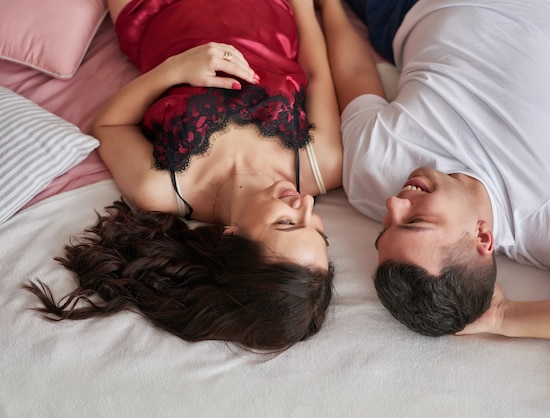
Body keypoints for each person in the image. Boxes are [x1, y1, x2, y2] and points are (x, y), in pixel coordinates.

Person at [23, 0, 342, 352]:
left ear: (232, 239)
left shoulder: (162, 188)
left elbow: (109, 124)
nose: (306, 203)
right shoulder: (320, 163)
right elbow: (315, 72)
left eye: (287, 223)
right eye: (317, 226)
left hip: (156, 11)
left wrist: (174, 71)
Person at [317, 0, 550, 346]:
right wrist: (504, 317)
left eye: (385, 228)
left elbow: (356, 74)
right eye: (415, 222)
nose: (393, 204)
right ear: (482, 238)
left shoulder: (371, 172)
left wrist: (330, 5)